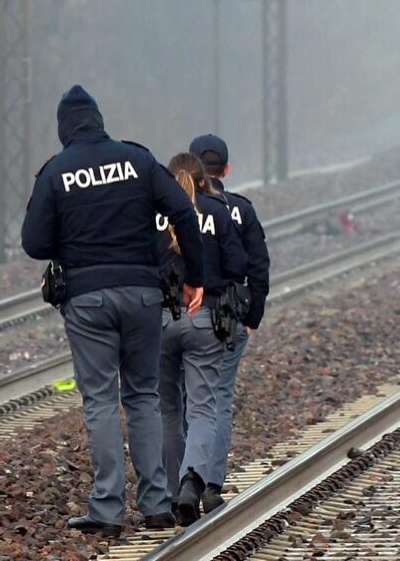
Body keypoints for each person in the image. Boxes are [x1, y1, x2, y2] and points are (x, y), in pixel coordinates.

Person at [21, 85, 206, 538]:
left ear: (64, 128)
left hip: (87, 299)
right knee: (144, 396)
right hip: (144, 295)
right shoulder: (138, 160)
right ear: (100, 121)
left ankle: (106, 510)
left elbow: (34, 243)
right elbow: (184, 211)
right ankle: (157, 505)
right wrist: (194, 276)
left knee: (101, 399)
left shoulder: (56, 171)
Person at [155, 152, 247, 525]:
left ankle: (170, 492)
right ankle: (192, 481)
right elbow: (238, 266)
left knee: (167, 410)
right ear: (205, 179)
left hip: (160, 320)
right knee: (203, 407)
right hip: (204, 318)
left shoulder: (154, 215)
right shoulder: (218, 211)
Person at [188, 133, 271, 513]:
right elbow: (257, 267)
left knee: (181, 402)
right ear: (226, 169)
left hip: (182, 317)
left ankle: (183, 483)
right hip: (227, 320)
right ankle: (211, 485)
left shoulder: (174, 210)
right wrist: (252, 317)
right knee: (218, 398)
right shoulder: (240, 209)